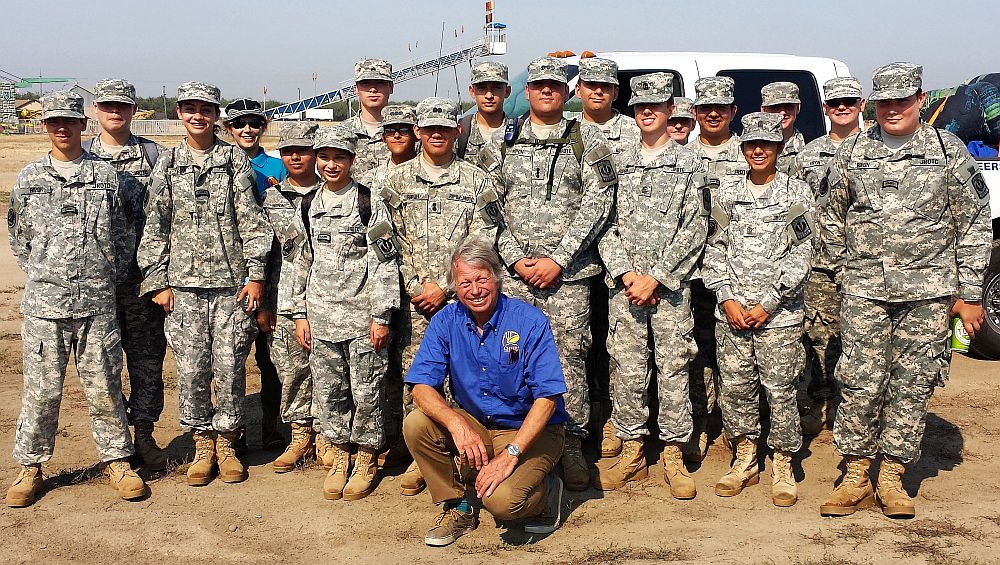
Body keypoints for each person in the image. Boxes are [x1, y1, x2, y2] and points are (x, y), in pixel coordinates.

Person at [819, 63, 991, 518]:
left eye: (902, 100)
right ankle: (855, 474)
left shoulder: (947, 151)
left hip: (928, 294)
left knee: (913, 382)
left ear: (918, 99)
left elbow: (973, 224)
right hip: (865, 292)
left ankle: (893, 474)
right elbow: (831, 217)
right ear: (874, 105)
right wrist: (846, 272)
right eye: (884, 102)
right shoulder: (853, 151)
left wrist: (970, 293)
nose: (892, 110)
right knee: (858, 380)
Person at [481, 56, 617, 491]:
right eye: (538, 85)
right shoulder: (506, 138)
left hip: (569, 276)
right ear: (529, 91)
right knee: (511, 358)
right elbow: (488, 205)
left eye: (554, 86)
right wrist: (515, 257)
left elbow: (599, 203)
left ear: (567, 92)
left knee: (568, 358)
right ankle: (521, 441)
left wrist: (558, 258)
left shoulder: (589, 138)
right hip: (515, 276)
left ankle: (572, 444)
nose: (545, 91)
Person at [6, 90, 146, 507]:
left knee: (104, 387)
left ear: (83, 124)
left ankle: (117, 461)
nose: (62, 128)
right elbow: (19, 236)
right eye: (53, 122)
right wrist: (47, 272)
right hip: (45, 306)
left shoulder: (107, 177)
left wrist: (106, 273)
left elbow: (127, 232)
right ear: (44, 127)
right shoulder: (30, 178)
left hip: (98, 303)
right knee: (42, 390)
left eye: (69, 121)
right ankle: (30, 466)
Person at [138, 82, 272, 486]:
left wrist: (255, 276)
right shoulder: (168, 163)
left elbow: (251, 220)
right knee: (192, 369)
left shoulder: (233, 161)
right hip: (183, 288)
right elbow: (155, 224)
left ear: (216, 116)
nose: (198, 116)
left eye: (206, 109)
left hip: (230, 286)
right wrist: (158, 281)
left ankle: (228, 443)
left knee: (231, 366)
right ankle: (202, 444)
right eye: (190, 108)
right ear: (180, 113)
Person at [403, 240, 568, 546]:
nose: (475, 290)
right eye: (465, 282)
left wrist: (511, 455)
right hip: (478, 425)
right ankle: (458, 505)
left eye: (482, 279)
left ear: (497, 278)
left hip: (529, 430)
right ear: (455, 287)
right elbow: (421, 388)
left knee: (503, 504)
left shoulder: (528, 321)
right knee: (416, 423)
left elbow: (548, 399)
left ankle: (546, 488)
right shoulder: (445, 321)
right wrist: (457, 424)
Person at [381, 97, 502, 496]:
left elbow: (484, 242)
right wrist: (418, 286)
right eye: (428, 128)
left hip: (463, 301)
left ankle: (464, 456)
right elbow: (386, 242)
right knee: (415, 376)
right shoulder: (395, 182)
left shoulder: (476, 181)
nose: (436, 134)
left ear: (456, 132)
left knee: (463, 378)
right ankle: (424, 460)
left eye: (444, 128)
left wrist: (447, 287)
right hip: (415, 302)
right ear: (417, 132)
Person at [595, 73, 708, 498]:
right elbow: (601, 222)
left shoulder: (690, 163)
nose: (647, 112)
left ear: (668, 111)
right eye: (640, 105)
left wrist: (657, 277)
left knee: (674, 366)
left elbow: (695, 226)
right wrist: (627, 274)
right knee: (627, 366)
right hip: (624, 288)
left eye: (656, 106)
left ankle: (675, 453)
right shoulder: (615, 161)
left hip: (670, 289)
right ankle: (632, 450)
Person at [704, 112, 815, 507]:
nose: (757, 151)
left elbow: (803, 253)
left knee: (781, 389)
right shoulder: (727, 194)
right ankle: (745, 457)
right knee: (735, 389)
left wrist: (769, 302)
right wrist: (726, 297)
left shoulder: (796, 194)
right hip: (732, 315)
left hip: (778, 316)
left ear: (778, 147)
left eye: (765, 144)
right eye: (751, 144)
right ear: (743, 147)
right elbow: (712, 250)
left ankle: (784, 461)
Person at [291, 125, 400, 501]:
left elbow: (385, 263)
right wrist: (298, 314)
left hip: (361, 317)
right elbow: (298, 263)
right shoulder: (307, 205)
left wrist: (381, 316)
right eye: (324, 157)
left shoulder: (369, 202)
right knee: (330, 392)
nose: (331, 164)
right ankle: (339, 455)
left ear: (352, 160)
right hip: (320, 318)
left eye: (340, 157)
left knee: (368, 390)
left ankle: (367, 456)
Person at [86, 78, 169, 471]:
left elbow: (170, 216)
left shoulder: (155, 157)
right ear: (95, 111)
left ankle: (145, 436)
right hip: (97, 286)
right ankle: (114, 444)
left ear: (135, 110)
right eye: (107, 106)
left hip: (143, 282)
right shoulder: (81, 158)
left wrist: (161, 274)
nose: (115, 112)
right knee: (102, 366)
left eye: (123, 106)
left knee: (147, 362)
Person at [569, 56, 638, 462]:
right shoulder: (567, 131)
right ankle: (586, 413)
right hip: (576, 258)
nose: (597, 91)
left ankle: (613, 418)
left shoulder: (633, 132)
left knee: (616, 344)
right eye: (590, 84)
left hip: (620, 254)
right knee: (581, 344)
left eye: (606, 86)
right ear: (578, 90)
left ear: (616, 92)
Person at [793, 77, 865, 435]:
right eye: (834, 102)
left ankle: (853, 411)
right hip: (818, 263)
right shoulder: (808, 154)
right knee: (819, 336)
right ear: (824, 107)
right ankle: (821, 404)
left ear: (861, 104)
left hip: (863, 264)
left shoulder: (873, 150)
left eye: (849, 101)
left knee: (858, 339)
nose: (842, 107)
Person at [260, 122, 326, 472]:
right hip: (284, 300)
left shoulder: (334, 195)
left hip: (329, 299)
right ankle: (300, 435)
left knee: (330, 372)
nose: (296, 157)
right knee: (292, 371)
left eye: (303, 150)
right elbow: (261, 257)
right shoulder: (270, 199)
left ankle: (328, 436)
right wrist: (265, 306)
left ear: (316, 154)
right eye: (288, 151)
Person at [686, 76, 745, 463]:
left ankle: (739, 428)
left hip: (738, 271)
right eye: (705, 108)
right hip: (690, 271)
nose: (713, 114)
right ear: (694, 113)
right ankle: (702, 422)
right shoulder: (681, 157)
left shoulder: (751, 154)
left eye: (720, 108)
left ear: (732, 112)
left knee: (736, 352)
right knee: (696, 350)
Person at [224, 97, 286, 451]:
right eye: (238, 124)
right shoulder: (223, 165)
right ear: (229, 129)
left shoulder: (277, 168)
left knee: (271, 358)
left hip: (272, 274)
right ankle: (234, 434)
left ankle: (270, 427)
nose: (247, 129)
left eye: (254, 123)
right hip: (232, 274)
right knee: (230, 359)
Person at [345, 58, 394, 178]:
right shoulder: (342, 132)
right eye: (366, 83)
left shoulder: (406, 133)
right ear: (356, 89)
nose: (373, 89)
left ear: (391, 87)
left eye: (380, 82)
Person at [459, 61, 510, 167]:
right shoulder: (460, 132)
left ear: (507, 91)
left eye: (496, 87)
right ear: (472, 91)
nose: (489, 95)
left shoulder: (518, 132)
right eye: (482, 88)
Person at [359, 103, 419, 191]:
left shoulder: (429, 175)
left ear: (416, 134)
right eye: (390, 131)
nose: (397, 135)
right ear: (383, 137)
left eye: (404, 130)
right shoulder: (371, 180)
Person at [761, 81, 806, 176]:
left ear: (798, 108)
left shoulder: (811, 146)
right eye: (775, 107)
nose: (782, 113)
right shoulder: (750, 148)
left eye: (788, 106)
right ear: (763, 110)